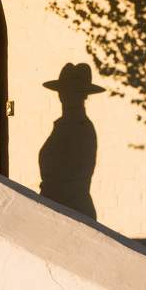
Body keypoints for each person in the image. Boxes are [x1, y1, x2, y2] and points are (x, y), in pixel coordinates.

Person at [39, 63, 104, 220]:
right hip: (57, 207)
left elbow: (73, 177)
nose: (65, 96)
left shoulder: (81, 128)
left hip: (71, 210)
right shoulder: (64, 125)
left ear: (83, 96)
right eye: (63, 91)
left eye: (73, 92)